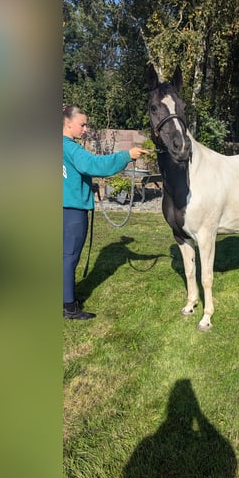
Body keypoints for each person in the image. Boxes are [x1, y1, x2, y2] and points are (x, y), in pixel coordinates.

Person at [63, 106, 149, 320]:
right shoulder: (70, 148)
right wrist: (127, 155)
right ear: (67, 123)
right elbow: (94, 165)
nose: (85, 128)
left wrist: (80, 184)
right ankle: (69, 306)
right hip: (72, 212)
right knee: (69, 258)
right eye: (82, 124)